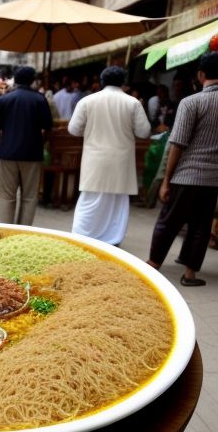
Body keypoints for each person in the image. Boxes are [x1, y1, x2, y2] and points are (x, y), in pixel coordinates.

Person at [147, 52, 218, 286]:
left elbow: (177, 144)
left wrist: (166, 180)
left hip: (187, 175)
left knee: (169, 221)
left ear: (200, 75)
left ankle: (153, 264)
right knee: (201, 226)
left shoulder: (191, 102)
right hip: (213, 179)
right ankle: (190, 274)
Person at [69, 66, 151, 245]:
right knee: (117, 204)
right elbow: (144, 132)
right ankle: (112, 240)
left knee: (89, 200)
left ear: (101, 81)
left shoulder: (87, 101)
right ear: (123, 83)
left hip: (94, 159)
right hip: (121, 162)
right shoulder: (133, 103)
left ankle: (81, 236)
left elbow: (74, 129)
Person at [0, 66, 52, 225]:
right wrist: (41, 143)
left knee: (6, 196)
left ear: (15, 80)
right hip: (32, 154)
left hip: (7, 154)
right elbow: (48, 128)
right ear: (32, 81)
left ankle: (6, 232)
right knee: (30, 197)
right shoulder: (40, 99)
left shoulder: (4, 99)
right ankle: (24, 231)